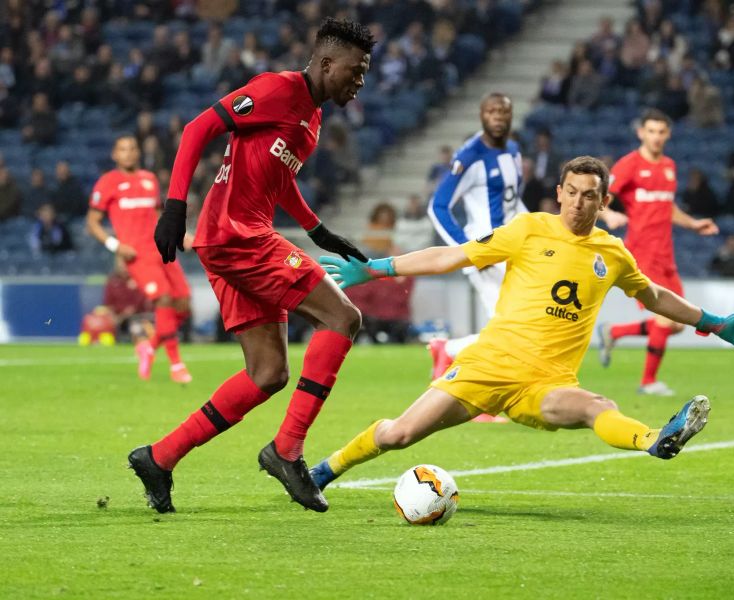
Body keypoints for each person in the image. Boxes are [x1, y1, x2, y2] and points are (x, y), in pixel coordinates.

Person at [308, 156, 734, 495]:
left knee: (595, 405)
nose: (580, 202)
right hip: (486, 368)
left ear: (604, 201)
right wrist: (376, 268)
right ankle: (323, 472)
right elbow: (452, 256)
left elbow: (655, 296)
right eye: (572, 191)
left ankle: (654, 439)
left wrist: (714, 323)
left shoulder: (613, 254)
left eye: (591, 195)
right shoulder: (528, 229)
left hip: (547, 384)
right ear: (560, 193)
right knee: (398, 435)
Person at [127, 18, 375, 515]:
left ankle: (160, 457)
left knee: (267, 373)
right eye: (355, 69)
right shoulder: (277, 90)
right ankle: (287, 450)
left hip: (239, 237)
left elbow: (279, 180)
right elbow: (200, 127)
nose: (360, 80)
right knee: (343, 317)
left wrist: (318, 230)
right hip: (238, 235)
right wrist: (175, 207)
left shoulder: (312, 117)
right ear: (327, 63)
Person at [596, 109, 719, 396]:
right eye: (651, 131)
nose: (656, 137)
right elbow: (597, 195)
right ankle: (648, 382)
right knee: (665, 318)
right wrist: (608, 215)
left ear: (668, 134)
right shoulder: (629, 165)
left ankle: (613, 332)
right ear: (641, 133)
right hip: (642, 253)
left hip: (666, 254)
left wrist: (693, 224)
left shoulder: (669, 166)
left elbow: (667, 206)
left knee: (679, 323)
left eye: (661, 132)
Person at [426, 92, 526, 426]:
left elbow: (513, 205)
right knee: (509, 328)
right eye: (492, 111)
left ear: (510, 116)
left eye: (504, 111)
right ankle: (481, 399)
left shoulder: (513, 150)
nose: (498, 117)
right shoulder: (470, 157)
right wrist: (465, 251)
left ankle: (448, 350)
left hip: (512, 251)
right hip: (485, 254)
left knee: (514, 326)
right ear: (481, 115)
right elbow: (438, 207)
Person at [86, 135, 193, 384]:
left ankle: (148, 346)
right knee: (164, 297)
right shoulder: (107, 182)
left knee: (183, 303)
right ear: (115, 154)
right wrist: (115, 246)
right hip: (137, 255)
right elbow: (92, 223)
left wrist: (178, 235)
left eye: (133, 148)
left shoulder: (150, 179)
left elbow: (159, 215)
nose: (129, 153)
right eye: (123, 149)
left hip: (160, 249)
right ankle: (176, 364)